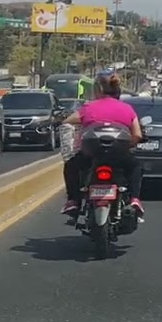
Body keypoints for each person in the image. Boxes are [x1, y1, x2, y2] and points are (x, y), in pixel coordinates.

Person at [60, 71, 145, 218]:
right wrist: (127, 146)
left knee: (71, 166)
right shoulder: (127, 109)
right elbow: (137, 135)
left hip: (91, 153)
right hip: (118, 154)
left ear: (98, 89)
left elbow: (67, 122)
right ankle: (134, 199)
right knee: (136, 166)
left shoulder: (89, 107)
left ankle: (73, 201)